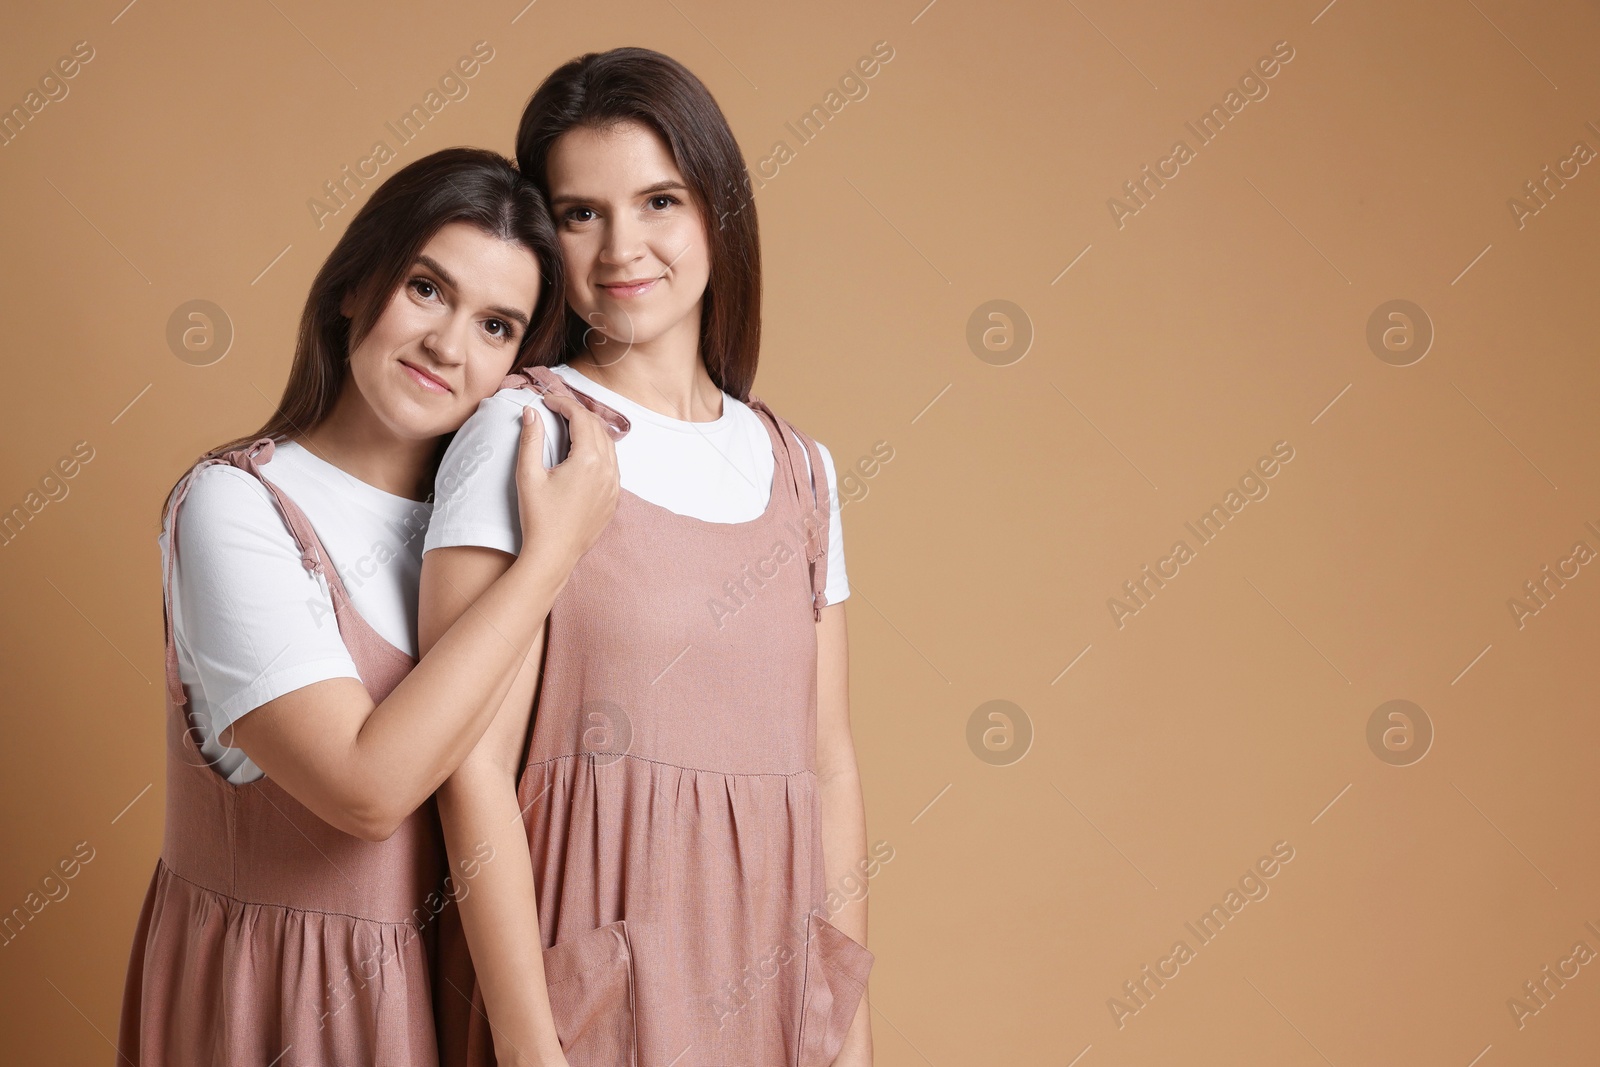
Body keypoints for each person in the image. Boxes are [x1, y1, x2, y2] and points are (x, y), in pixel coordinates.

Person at [117, 147, 622, 1067]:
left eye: (497, 325)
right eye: (427, 290)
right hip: (287, 1007)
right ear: (355, 284)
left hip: (457, 990)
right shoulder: (236, 507)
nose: (448, 345)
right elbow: (365, 789)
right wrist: (553, 556)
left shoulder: (484, 524)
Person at [421, 49, 875, 1067]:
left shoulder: (800, 468)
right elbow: (470, 769)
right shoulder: (524, 430)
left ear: (718, 208)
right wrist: (532, 1050)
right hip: (588, 992)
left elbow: (830, 762)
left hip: (771, 993)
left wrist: (845, 1031)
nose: (622, 245)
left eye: (658, 200)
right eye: (580, 212)